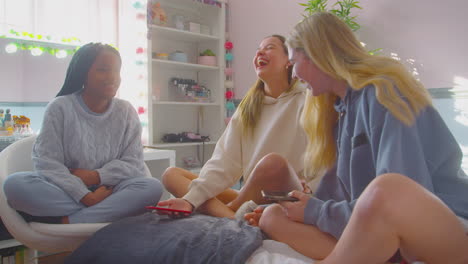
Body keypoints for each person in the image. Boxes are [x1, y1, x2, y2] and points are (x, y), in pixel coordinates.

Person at [245, 12, 468, 264]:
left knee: (387, 190)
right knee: (273, 215)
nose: (294, 75)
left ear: (317, 55)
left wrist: (315, 211)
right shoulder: (340, 113)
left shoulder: (384, 92)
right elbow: (336, 202)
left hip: (445, 229)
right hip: (386, 234)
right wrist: (304, 207)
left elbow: (400, 195)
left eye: (294, 62)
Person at [3, 43, 163, 224]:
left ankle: (68, 221)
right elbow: (47, 163)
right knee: (15, 185)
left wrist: (96, 176)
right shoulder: (60, 107)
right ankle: (104, 212)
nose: (112, 77)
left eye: (116, 71)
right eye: (102, 70)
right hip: (66, 188)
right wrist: (86, 196)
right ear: (83, 72)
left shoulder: (126, 111)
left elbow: (133, 163)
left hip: (111, 188)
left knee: (151, 188)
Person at [158, 35, 308, 219]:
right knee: (171, 175)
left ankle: (230, 213)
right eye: (258, 49)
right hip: (251, 196)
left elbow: (323, 158)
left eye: (269, 47)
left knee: (272, 164)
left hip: (287, 195)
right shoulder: (249, 107)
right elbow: (224, 161)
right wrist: (190, 199)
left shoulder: (307, 100)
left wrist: (311, 189)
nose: (260, 52)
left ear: (289, 60)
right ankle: (234, 217)